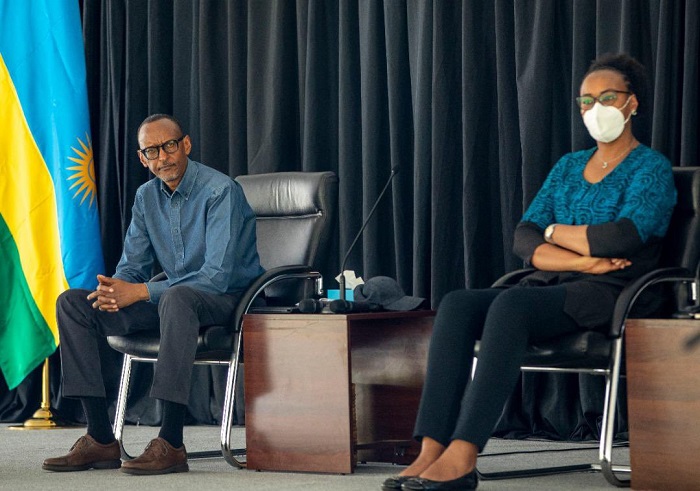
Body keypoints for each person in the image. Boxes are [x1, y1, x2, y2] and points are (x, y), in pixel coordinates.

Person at [382, 53, 676, 491]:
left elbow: (623, 237)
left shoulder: (650, 167)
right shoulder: (568, 167)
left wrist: (555, 233)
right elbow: (524, 237)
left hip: (614, 289)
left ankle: (463, 454)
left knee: (511, 306)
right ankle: (431, 448)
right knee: (458, 303)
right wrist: (580, 259)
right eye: (586, 101)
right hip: (561, 280)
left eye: (607, 98)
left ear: (632, 103)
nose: (595, 109)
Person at [43, 114, 264, 475]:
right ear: (142, 158)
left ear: (186, 145)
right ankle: (99, 437)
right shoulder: (146, 197)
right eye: (152, 151)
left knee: (178, 297)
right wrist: (115, 292)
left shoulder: (220, 191)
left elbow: (217, 276)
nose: (163, 157)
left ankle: (171, 441)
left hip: (228, 301)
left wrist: (141, 291)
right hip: (173, 302)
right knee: (72, 304)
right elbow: (132, 266)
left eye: (169, 146)